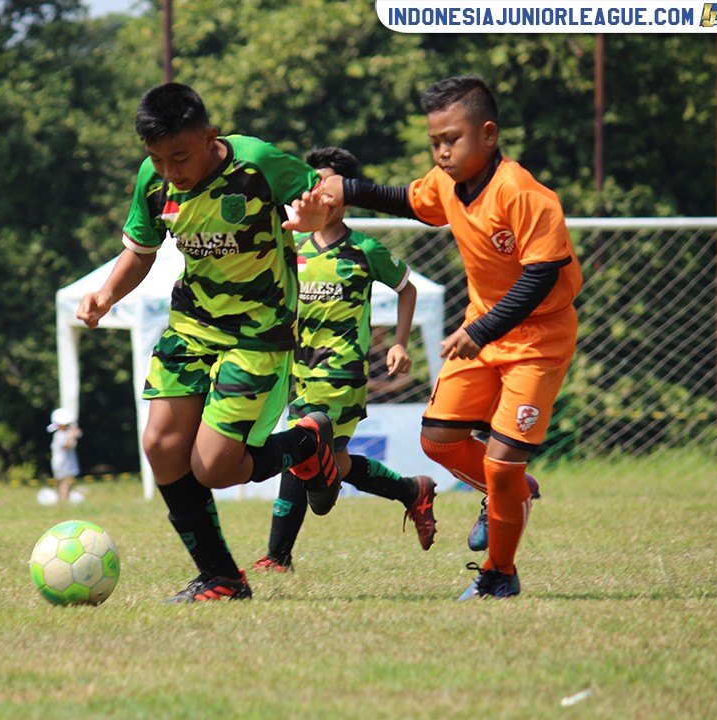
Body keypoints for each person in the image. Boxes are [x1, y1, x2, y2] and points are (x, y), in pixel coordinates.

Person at [288, 76, 582, 600]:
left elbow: (539, 279)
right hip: (483, 330)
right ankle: (510, 493)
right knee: (437, 439)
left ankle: (499, 575)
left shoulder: (523, 194)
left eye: (453, 139)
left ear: (488, 135)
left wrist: (480, 329)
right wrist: (346, 188)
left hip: (536, 339)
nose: (443, 151)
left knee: (501, 460)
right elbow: (407, 200)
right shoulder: (447, 184)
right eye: (435, 142)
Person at [76, 82, 339, 603]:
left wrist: (317, 215)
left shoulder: (257, 162)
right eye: (157, 158)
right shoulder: (154, 179)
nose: (170, 172)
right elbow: (141, 249)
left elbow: (327, 187)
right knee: (160, 447)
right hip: (192, 326)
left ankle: (307, 443)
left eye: (179, 157)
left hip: (258, 333)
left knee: (216, 468)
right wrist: (106, 293)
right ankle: (222, 577)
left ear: (210, 137)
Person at [254, 147, 436, 574]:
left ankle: (277, 556)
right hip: (297, 373)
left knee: (303, 451)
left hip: (342, 376)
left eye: (329, 187)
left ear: (345, 197)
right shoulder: (292, 246)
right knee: (330, 464)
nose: (319, 194)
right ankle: (412, 491)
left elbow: (407, 287)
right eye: (312, 184)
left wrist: (400, 343)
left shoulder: (364, 249)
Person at [45, 407, 84, 505]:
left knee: (63, 481)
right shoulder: (60, 435)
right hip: (63, 463)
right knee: (65, 482)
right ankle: (63, 499)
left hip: (63, 462)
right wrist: (72, 436)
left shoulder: (62, 433)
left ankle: (62, 499)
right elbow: (67, 446)